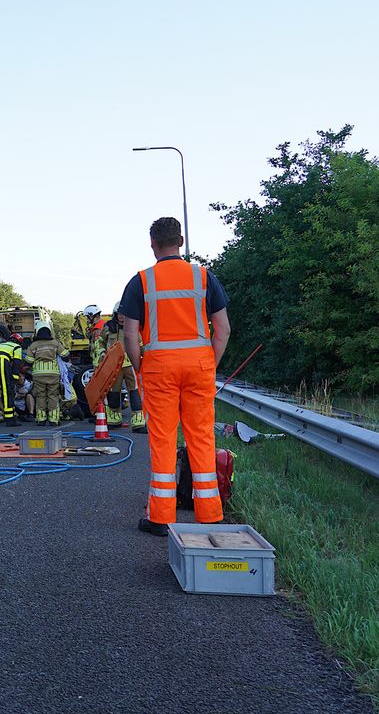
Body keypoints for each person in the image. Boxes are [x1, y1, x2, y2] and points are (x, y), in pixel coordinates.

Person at [120, 216, 231, 536]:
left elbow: (130, 336)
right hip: (198, 366)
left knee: (164, 440)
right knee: (201, 437)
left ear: (153, 244)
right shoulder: (204, 277)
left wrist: (140, 365)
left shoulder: (141, 281)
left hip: (159, 368)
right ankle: (210, 514)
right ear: (180, 242)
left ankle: (162, 517)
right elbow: (222, 329)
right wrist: (208, 361)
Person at [98, 301, 146, 433]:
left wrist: (146, 357)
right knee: (114, 393)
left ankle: (138, 423)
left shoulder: (132, 327)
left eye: (124, 314)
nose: (122, 317)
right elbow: (100, 342)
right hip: (113, 365)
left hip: (130, 364)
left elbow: (140, 344)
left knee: (134, 392)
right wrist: (102, 353)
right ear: (115, 314)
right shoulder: (108, 327)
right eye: (119, 314)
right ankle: (114, 420)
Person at [25, 319, 68, 427]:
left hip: (38, 374)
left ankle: (41, 419)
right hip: (53, 374)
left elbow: (29, 361)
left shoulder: (33, 345)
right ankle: (53, 419)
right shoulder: (55, 344)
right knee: (53, 395)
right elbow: (66, 355)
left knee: (40, 396)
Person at [0, 333, 26, 426]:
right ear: (19, 342)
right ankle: (10, 420)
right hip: (1, 361)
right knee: (7, 392)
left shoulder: (1, 345)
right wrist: (14, 379)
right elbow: (17, 363)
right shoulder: (16, 347)